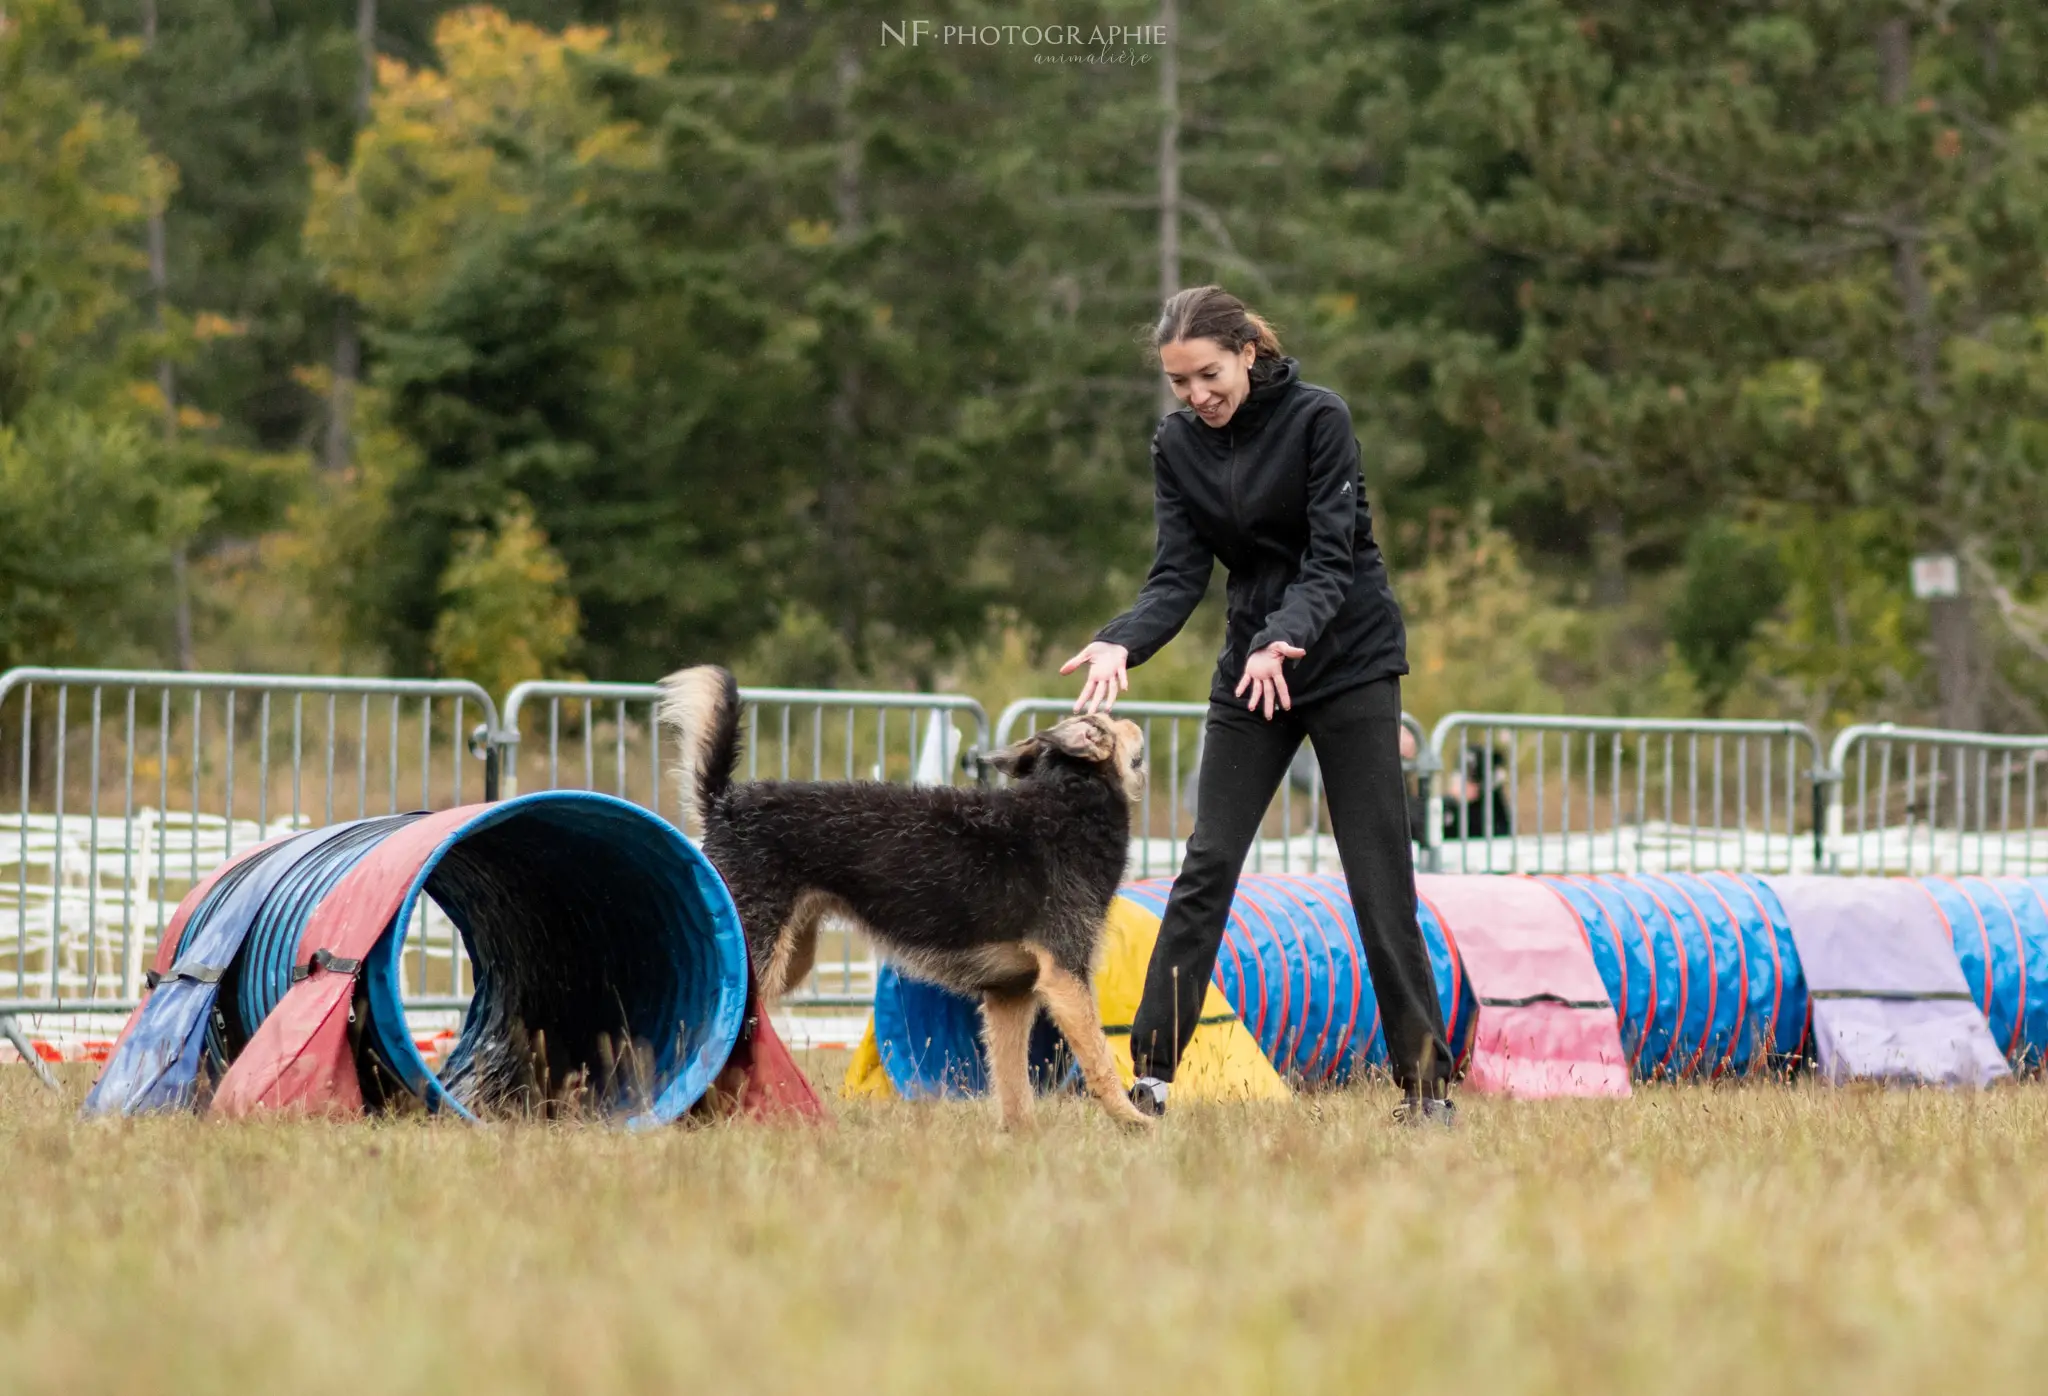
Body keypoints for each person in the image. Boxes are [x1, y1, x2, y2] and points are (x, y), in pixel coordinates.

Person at [1062, 285, 1455, 1125]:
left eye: (1208, 374)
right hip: (1253, 670)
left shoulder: (1320, 419)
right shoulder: (1177, 446)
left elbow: (1330, 558)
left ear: (1247, 352)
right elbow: (1176, 575)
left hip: (1346, 658)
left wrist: (1289, 635)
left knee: (1377, 874)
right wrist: (1120, 640)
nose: (1197, 396)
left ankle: (1426, 1091)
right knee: (1207, 863)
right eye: (1179, 383)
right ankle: (1153, 1080)